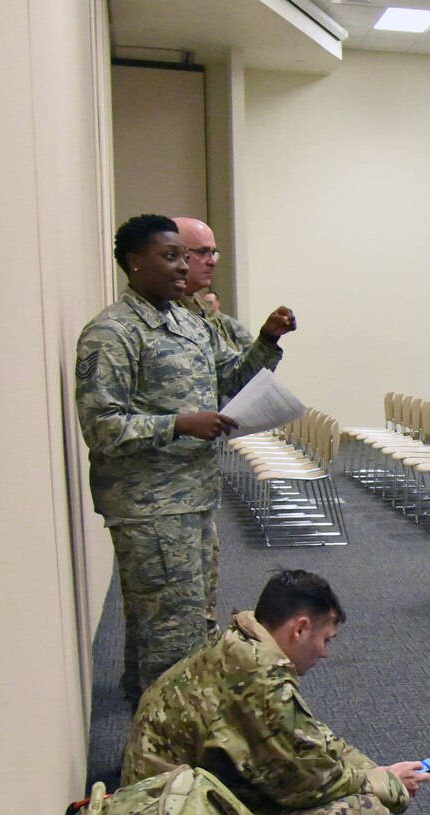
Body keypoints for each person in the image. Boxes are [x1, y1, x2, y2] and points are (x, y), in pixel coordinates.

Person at [75, 214, 296, 703]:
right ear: (135, 263)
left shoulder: (186, 322)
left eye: (185, 256)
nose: (183, 267)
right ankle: (167, 759)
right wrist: (179, 423)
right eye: (169, 256)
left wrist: (266, 342)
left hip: (193, 497)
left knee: (177, 624)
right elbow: (101, 425)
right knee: (172, 639)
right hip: (148, 507)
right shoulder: (112, 334)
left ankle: (147, 738)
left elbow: (230, 379)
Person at [122, 570, 430, 815]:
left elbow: (311, 739)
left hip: (165, 809)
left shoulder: (241, 643)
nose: (325, 653)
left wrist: (372, 769)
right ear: (300, 629)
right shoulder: (262, 678)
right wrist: (384, 785)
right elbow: (309, 783)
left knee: (357, 796)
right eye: (325, 639)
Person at [172, 217, 251, 357]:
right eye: (202, 252)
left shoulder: (206, 309)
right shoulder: (162, 311)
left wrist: (269, 338)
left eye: (213, 253)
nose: (213, 261)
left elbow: (231, 371)